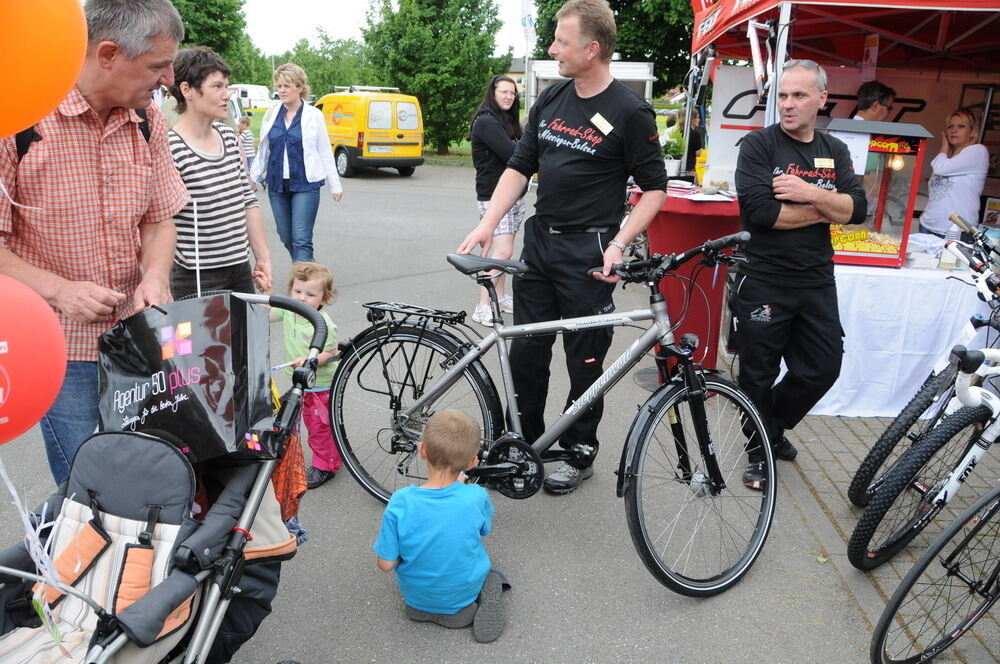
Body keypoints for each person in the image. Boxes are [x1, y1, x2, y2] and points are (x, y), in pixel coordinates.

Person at [458, 0, 667, 495]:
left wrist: (620, 242)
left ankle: (579, 451)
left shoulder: (629, 111)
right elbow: (519, 167)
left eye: (561, 41)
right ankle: (523, 446)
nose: (552, 49)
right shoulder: (551, 99)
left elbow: (654, 188)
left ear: (592, 49)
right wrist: (489, 222)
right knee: (527, 354)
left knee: (585, 361)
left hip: (590, 255)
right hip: (539, 248)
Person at [0, 0, 189, 485]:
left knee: (146, 476)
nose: (168, 77)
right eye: (157, 64)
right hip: (58, 350)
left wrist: (154, 275)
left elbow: (160, 219)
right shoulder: (19, 118)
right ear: (107, 53)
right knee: (85, 485)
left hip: (138, 341)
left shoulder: (149, 120)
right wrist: (60, 291)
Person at [733, 59, 866, 489]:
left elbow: (858, 211)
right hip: (765, 277)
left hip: (815, 279)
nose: (787, 105)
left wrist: (808, 193)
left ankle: (770, 426)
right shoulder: (758, 147)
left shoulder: (835, 150)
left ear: (821, 99)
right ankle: (759, 452)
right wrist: (828, 205)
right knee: (759, 370)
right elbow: (762, 214)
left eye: (798, 96)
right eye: (782, 96)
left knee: (823, 367)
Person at [373, 409, 505, 644]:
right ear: (473, 462)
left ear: (422, 450)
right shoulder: (476, 496)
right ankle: (468, 603)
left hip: (414, 597)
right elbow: (483, 530)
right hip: (461, 596)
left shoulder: (400, 501)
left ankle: (424, 608)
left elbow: (385, 564)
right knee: (489, 572)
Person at [167, 47, 272, 299]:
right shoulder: (170, 146)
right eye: (217, 87)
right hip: (194, 276)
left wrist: (263, 258)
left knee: (245, 339)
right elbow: (161, 221)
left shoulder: (228, 136)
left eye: (227, 85)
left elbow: (247, 200)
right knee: (194, 341)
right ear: (187, 90)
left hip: (239, 269)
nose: (227, 95)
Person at [250, 63, 342, 263]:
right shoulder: (271, 114)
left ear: (300, 87)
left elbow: (324, 151)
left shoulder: (313, 116)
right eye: (279, 86)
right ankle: (307, 269)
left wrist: (335, 185)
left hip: (305, 184)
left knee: (301, 238)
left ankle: (303, 282)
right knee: (285, 235)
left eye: (286, 86)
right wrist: (253, 177)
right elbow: (264, 149)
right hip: (276, 184)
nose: (281, 90)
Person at [268, 262, 342, 489]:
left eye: (310, 294)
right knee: (302, 422)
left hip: (320, 385)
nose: (301, 298)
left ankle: (326, 466)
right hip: (300, 382)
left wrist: (311, 359)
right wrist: (264, 293)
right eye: (297, 291)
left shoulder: (323, 324)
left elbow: (331, 353)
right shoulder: (290, 310)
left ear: (324, 298)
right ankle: (331, 450)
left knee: (319, 426)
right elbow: (267, 313)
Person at [468, 75, 527, 325]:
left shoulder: (506, 122)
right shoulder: (486, 122)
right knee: (501, 252)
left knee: (505, 249)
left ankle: (500, 297)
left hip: (513, 196)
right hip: (494, 196)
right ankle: (483, 305)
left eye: (512, 93)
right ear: (492, 93)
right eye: (503, 91)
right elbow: (514, 154)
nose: (508, 96)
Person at [917, 108, 989, 238]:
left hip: (957, 231)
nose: (953, 130)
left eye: (961, 126)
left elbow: (939, 169)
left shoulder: (978, 151)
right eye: (950, 126)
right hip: (928, 226)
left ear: (972, 132)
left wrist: (944, 146)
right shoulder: (946, 158)